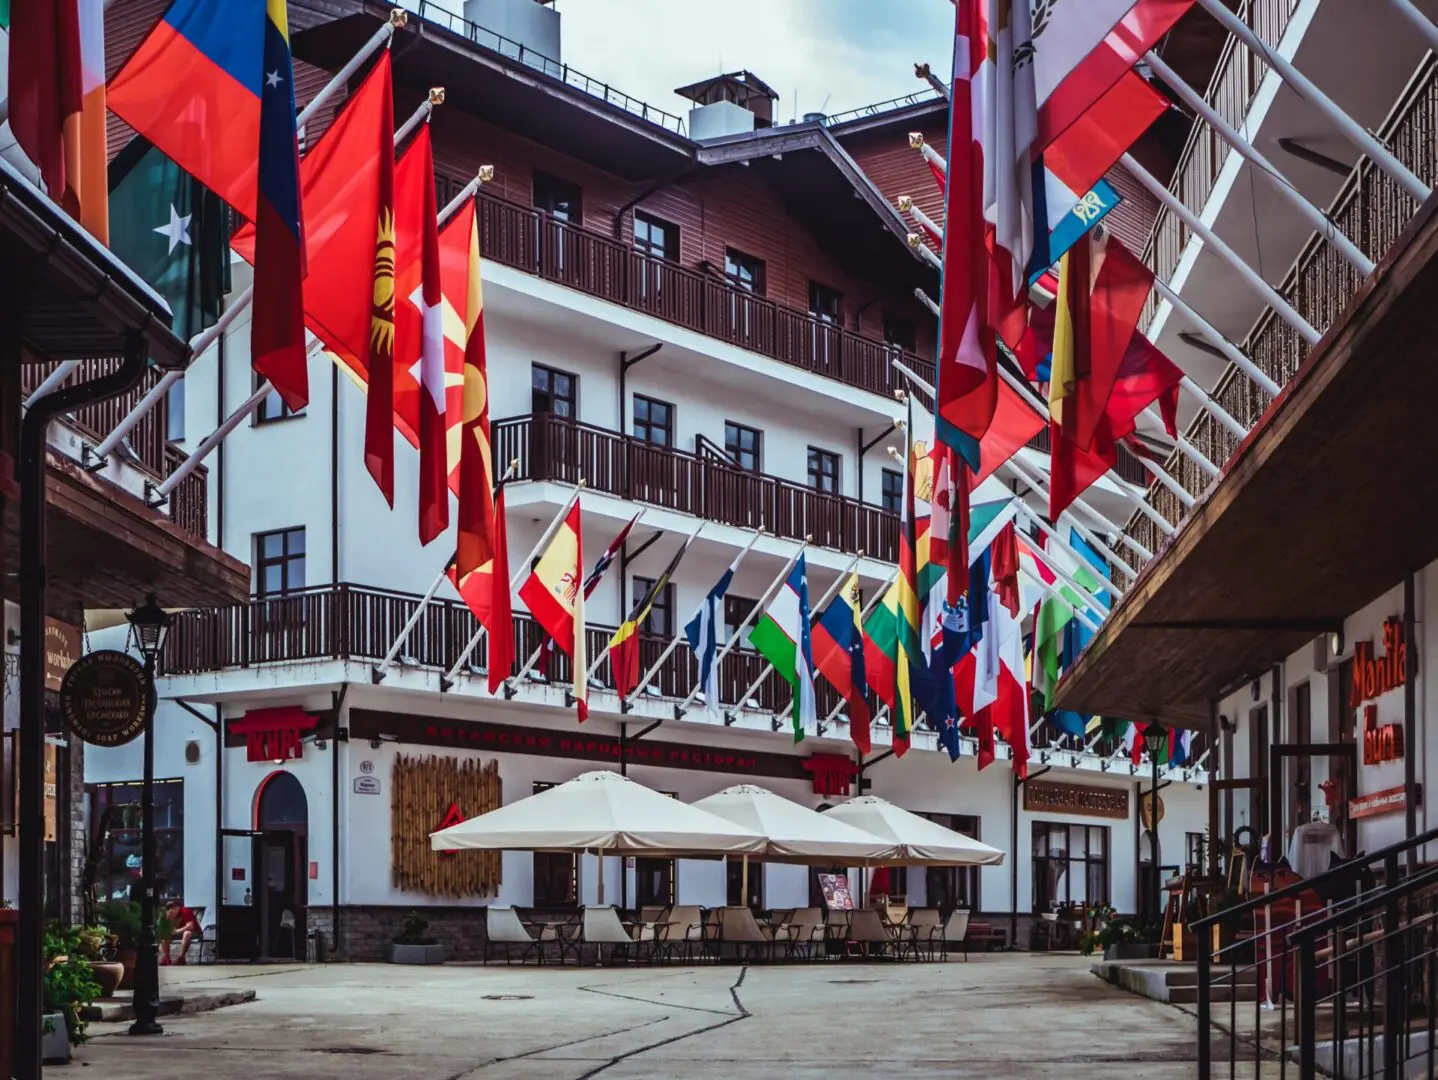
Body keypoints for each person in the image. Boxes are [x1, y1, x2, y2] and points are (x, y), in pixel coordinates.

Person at [161, 898, 201, 965]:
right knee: (164, 934)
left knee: (186, 933)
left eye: (171, 912)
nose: (171, 914)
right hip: (179, 933)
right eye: (169, 913)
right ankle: (167, 957)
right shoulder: (170, 915)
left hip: (194, 932)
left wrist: (177, 931)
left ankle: (181, 958)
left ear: (176, 908)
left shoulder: (185, 910)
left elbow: (191, 926)